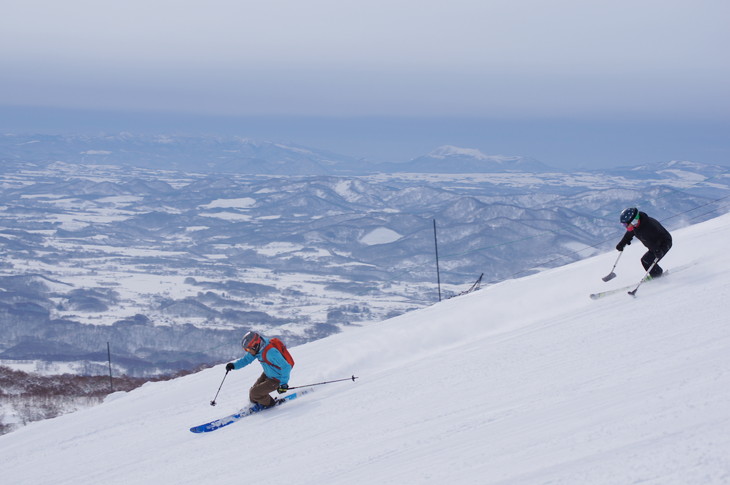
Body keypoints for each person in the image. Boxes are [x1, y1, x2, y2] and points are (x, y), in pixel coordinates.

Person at [225, 331, 293, 409]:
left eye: (248, 349)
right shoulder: (258, 350)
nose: (248, 351)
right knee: (253, 393)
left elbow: (286, 366)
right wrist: (234, 366)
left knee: (255, 393)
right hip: (268, 373)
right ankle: (261, 403)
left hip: (277, 379)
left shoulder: (271, 353)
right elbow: (246, 359)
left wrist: (283, 384)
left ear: (255, 346)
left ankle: (271, 405)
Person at [615, 207, 672, 278]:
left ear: (633, 221)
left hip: (664, 243)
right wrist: (622, 243)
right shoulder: (637, 225)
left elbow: (654, 241)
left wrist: (658, 251)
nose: (625, 227)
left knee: (647, 260)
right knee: (646, 260)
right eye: (624, 225)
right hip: (654, 245)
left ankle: (657, 276)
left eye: (626, 225)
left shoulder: (647, 228)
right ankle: (657, 274)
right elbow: (630, 233)